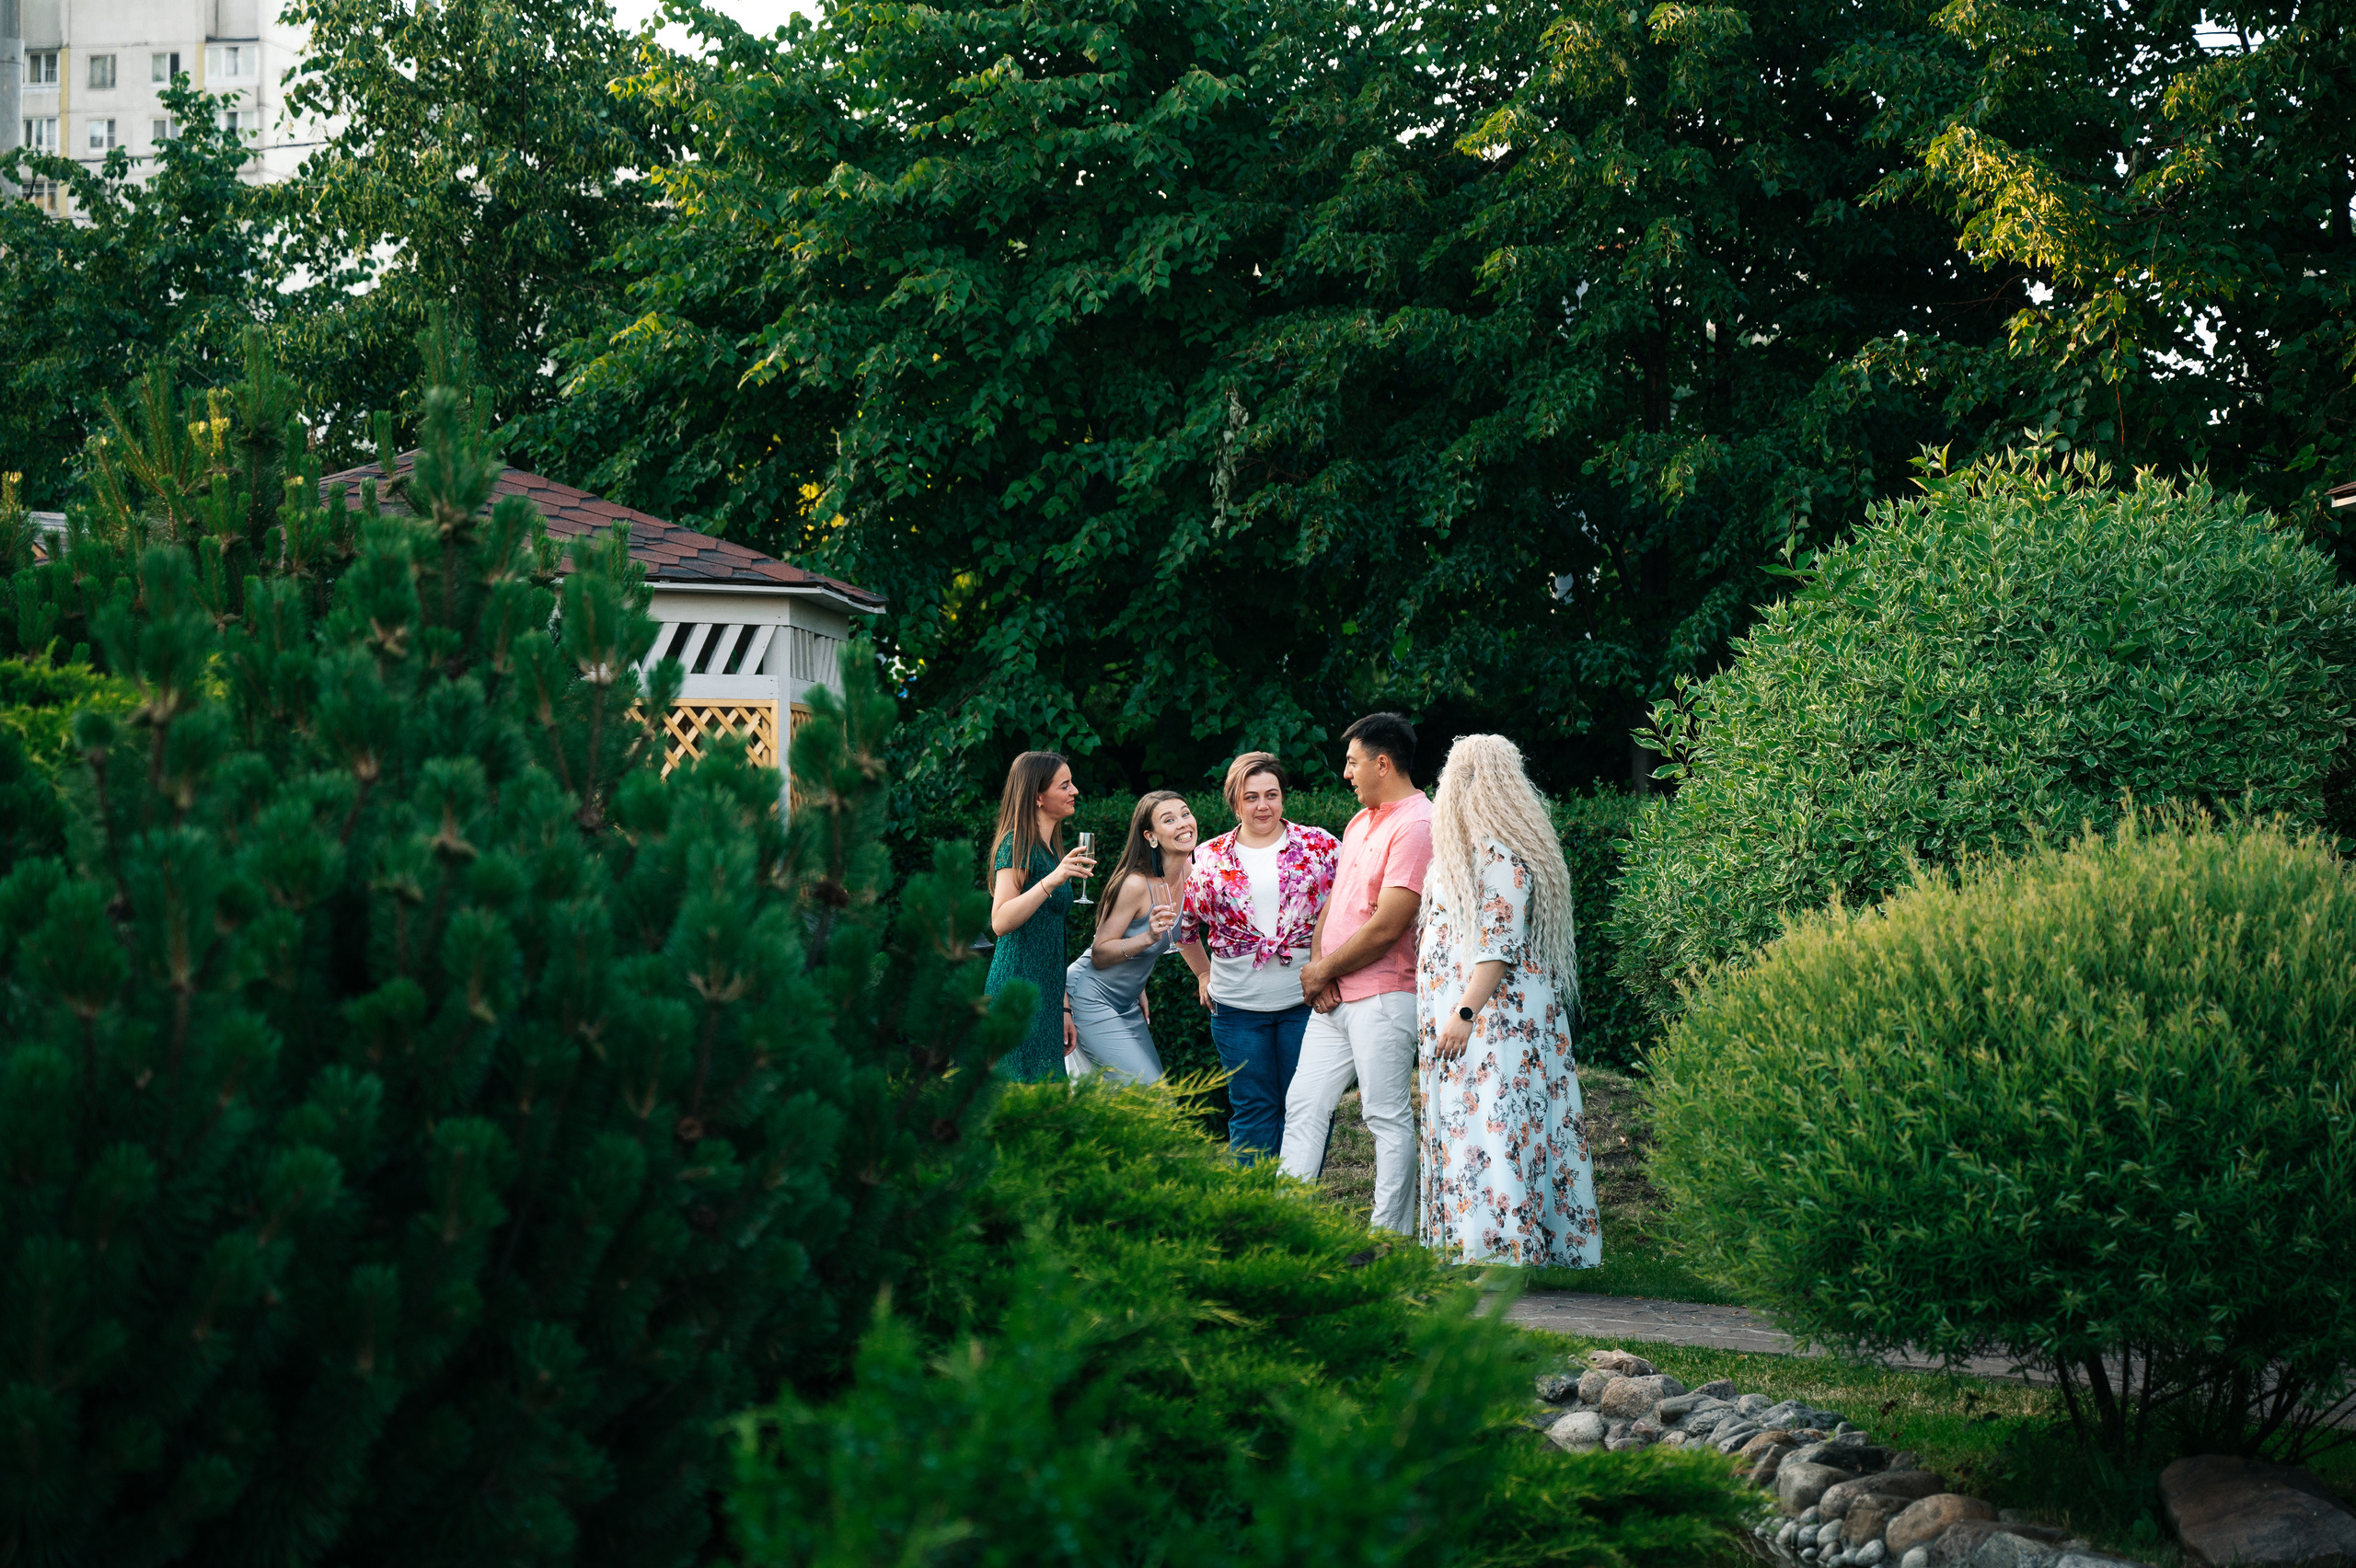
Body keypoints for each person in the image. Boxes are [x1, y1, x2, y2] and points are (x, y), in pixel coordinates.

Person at [1414, 733, 1598, 1266]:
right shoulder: (1467, 854)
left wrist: (1464, 1014)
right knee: (1479, 1125)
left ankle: (1500, 1253)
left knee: (1497, 1124)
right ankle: (1481, 1249)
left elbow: (1499, 946)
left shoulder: (1499, 856)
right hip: (1479, 1019)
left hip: (1495, 1021)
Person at [1279, 713, 1431, 1233]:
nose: (1347, 773)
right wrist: (1319, 971)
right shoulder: (1360, 821)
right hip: (1335, 998)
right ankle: (1287, 1228)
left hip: (1384, 998)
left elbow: (1389, 924)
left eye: (1353, 762)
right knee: (1304, 1103)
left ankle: (1387, 1240)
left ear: (1382, 763)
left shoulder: (1417, 825)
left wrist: (1324, 970)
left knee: (1384, 1117)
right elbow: (1336, 902)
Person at [1177, 754, 1338, 1162]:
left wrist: (1334, 968)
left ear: (1283, 798)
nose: (1262, 805)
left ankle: (1298, 1207)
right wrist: (1201, 973)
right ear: (1235, 802)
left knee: (1305, 1109)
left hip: (1305, 1004)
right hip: (1236, 1009)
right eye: (1251, 797)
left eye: (1272, 794)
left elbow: (1350, 911)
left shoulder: (1319, 846)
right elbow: (1183, 927)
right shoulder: (1207, 858)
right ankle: (1255, 1214)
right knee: (1252, 1111)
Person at [1066, 790, 1199, 1084]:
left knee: (1136, 1104)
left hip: (1127, 1002)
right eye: (1169, 820)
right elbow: (1100, 953)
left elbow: (1190, 933)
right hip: (1091, 996)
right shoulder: (1136, 884)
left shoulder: (1188, 873)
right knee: (1153, 1100)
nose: (1183, 823)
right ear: (1150, 837)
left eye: (1185, 814)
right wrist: (1149, 937)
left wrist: (1205, 973)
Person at [985, 751, 1095, 1082]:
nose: (1074, 791)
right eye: (1065, 785)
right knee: (1023, 1101)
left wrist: (1062, 1007)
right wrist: (1053, 880)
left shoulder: (1049, 850)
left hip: (1046, 998)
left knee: (1047, 1102)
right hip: (1017, 990)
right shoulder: (1015, 844)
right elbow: (1000, 921)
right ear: (1038, 797)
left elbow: (1050, 938)